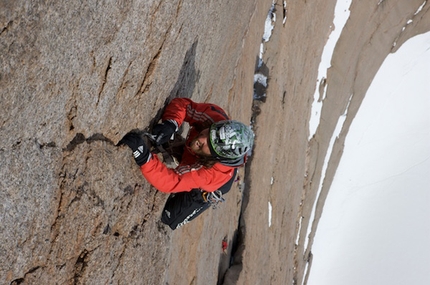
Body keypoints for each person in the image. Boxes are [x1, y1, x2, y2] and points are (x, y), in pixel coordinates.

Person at [120, 98, 254, 194]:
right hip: (203, 157)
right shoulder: (215, 119)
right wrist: (171, 123)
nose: (202, 138)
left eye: (210, 144)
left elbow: (172, 182)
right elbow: (184, 105)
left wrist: (144, 157)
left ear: (215, 156)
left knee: (172, 216)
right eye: (209, 133)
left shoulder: (206, 174)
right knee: (191, 145)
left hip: (214, 183)